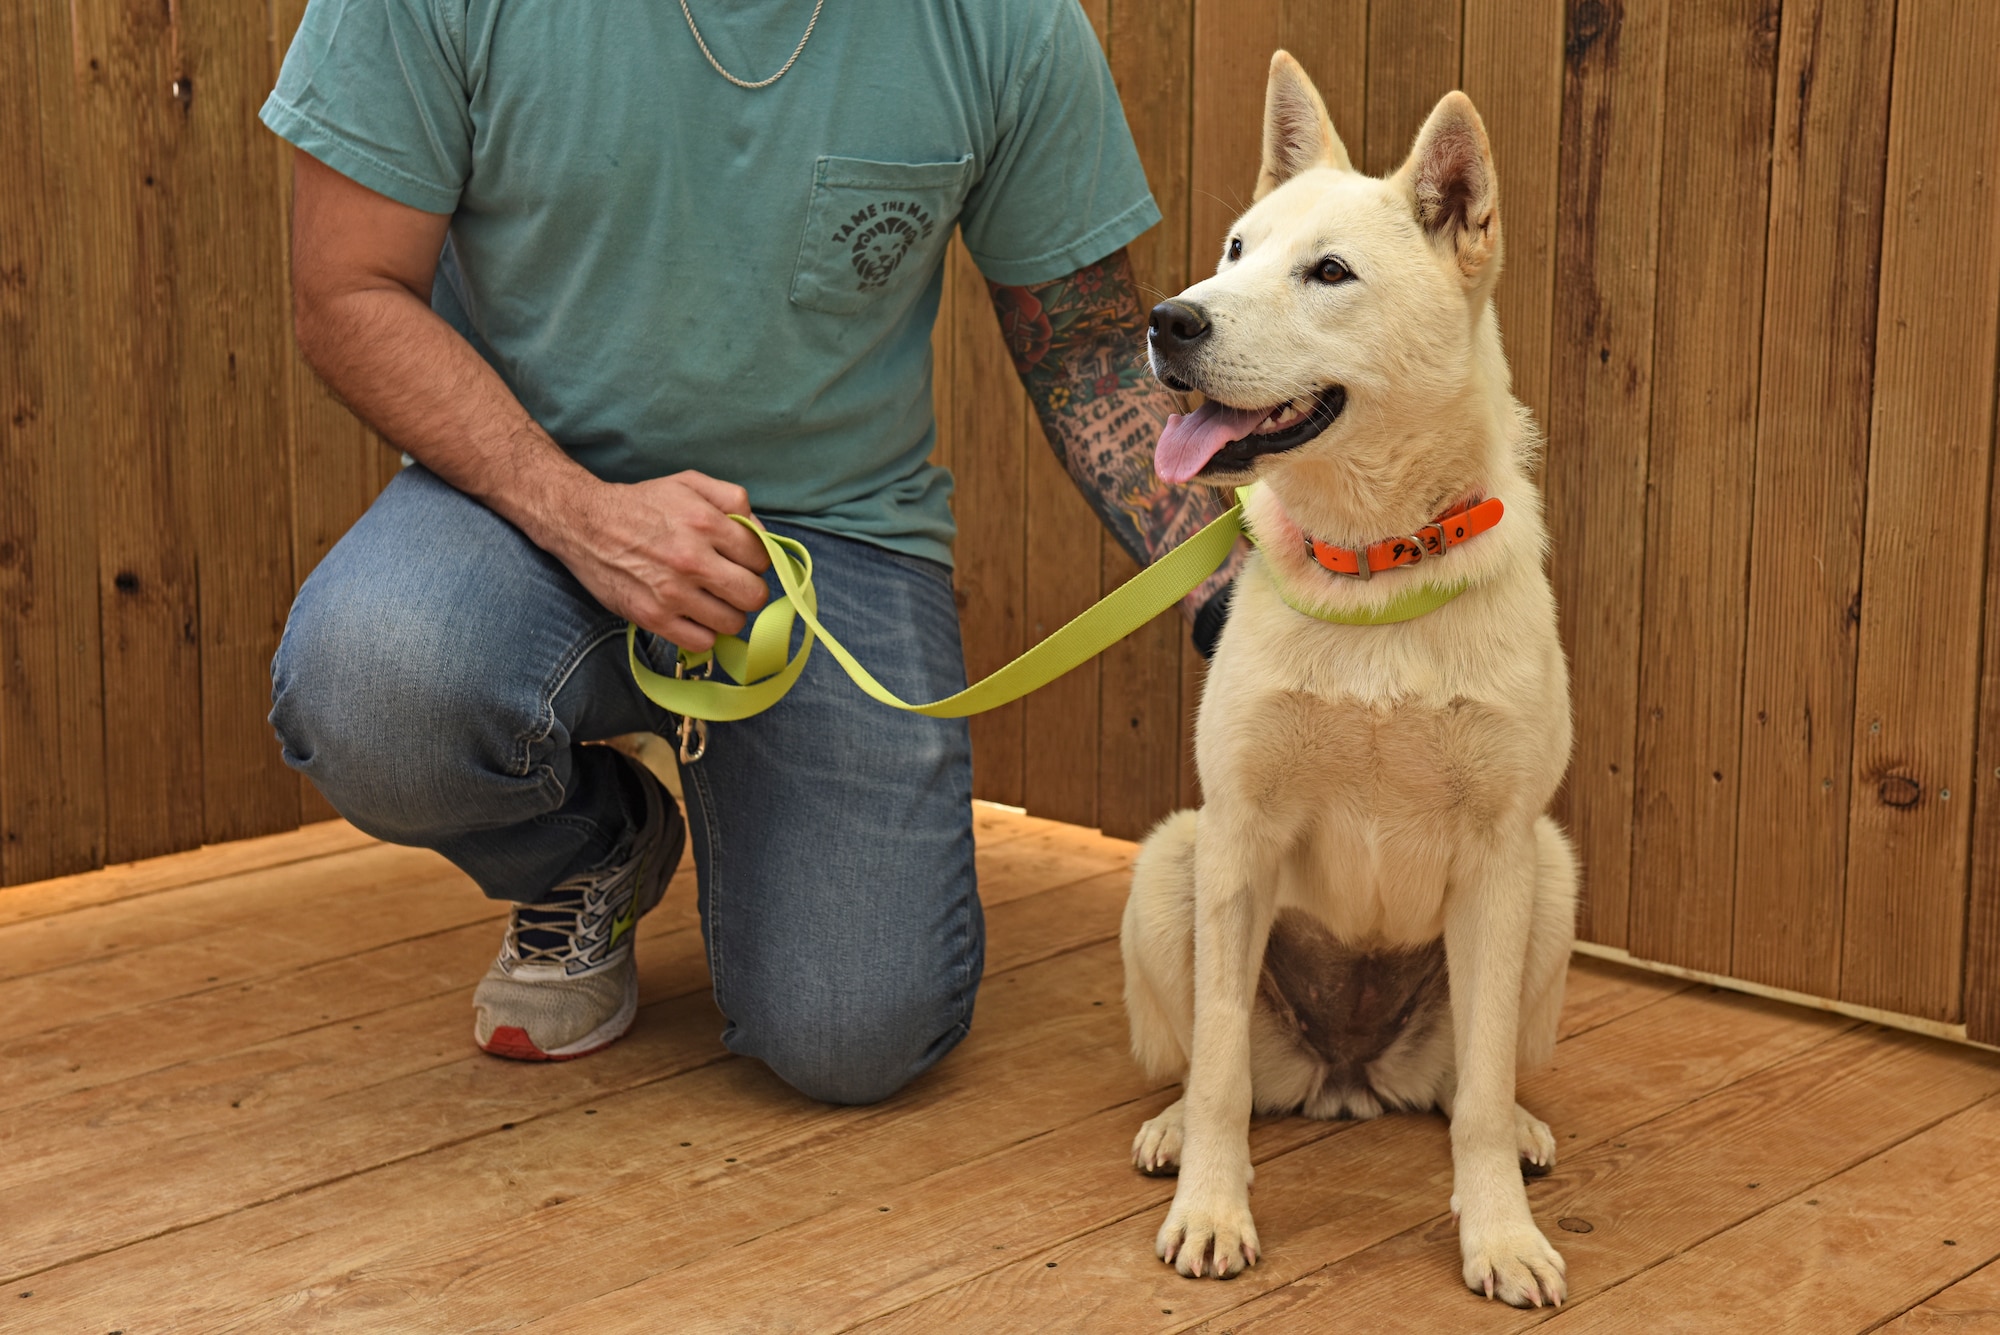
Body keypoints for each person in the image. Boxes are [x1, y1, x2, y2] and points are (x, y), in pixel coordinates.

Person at [262, 0, 1238, 1104]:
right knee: (373, 684)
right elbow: (347, 290)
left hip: (836, 534)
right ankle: (594, 849)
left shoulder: (1003, 21)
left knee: (854, 1036)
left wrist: (1231, 587)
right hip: (521, 505)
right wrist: (581, 515)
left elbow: (1087, 347)